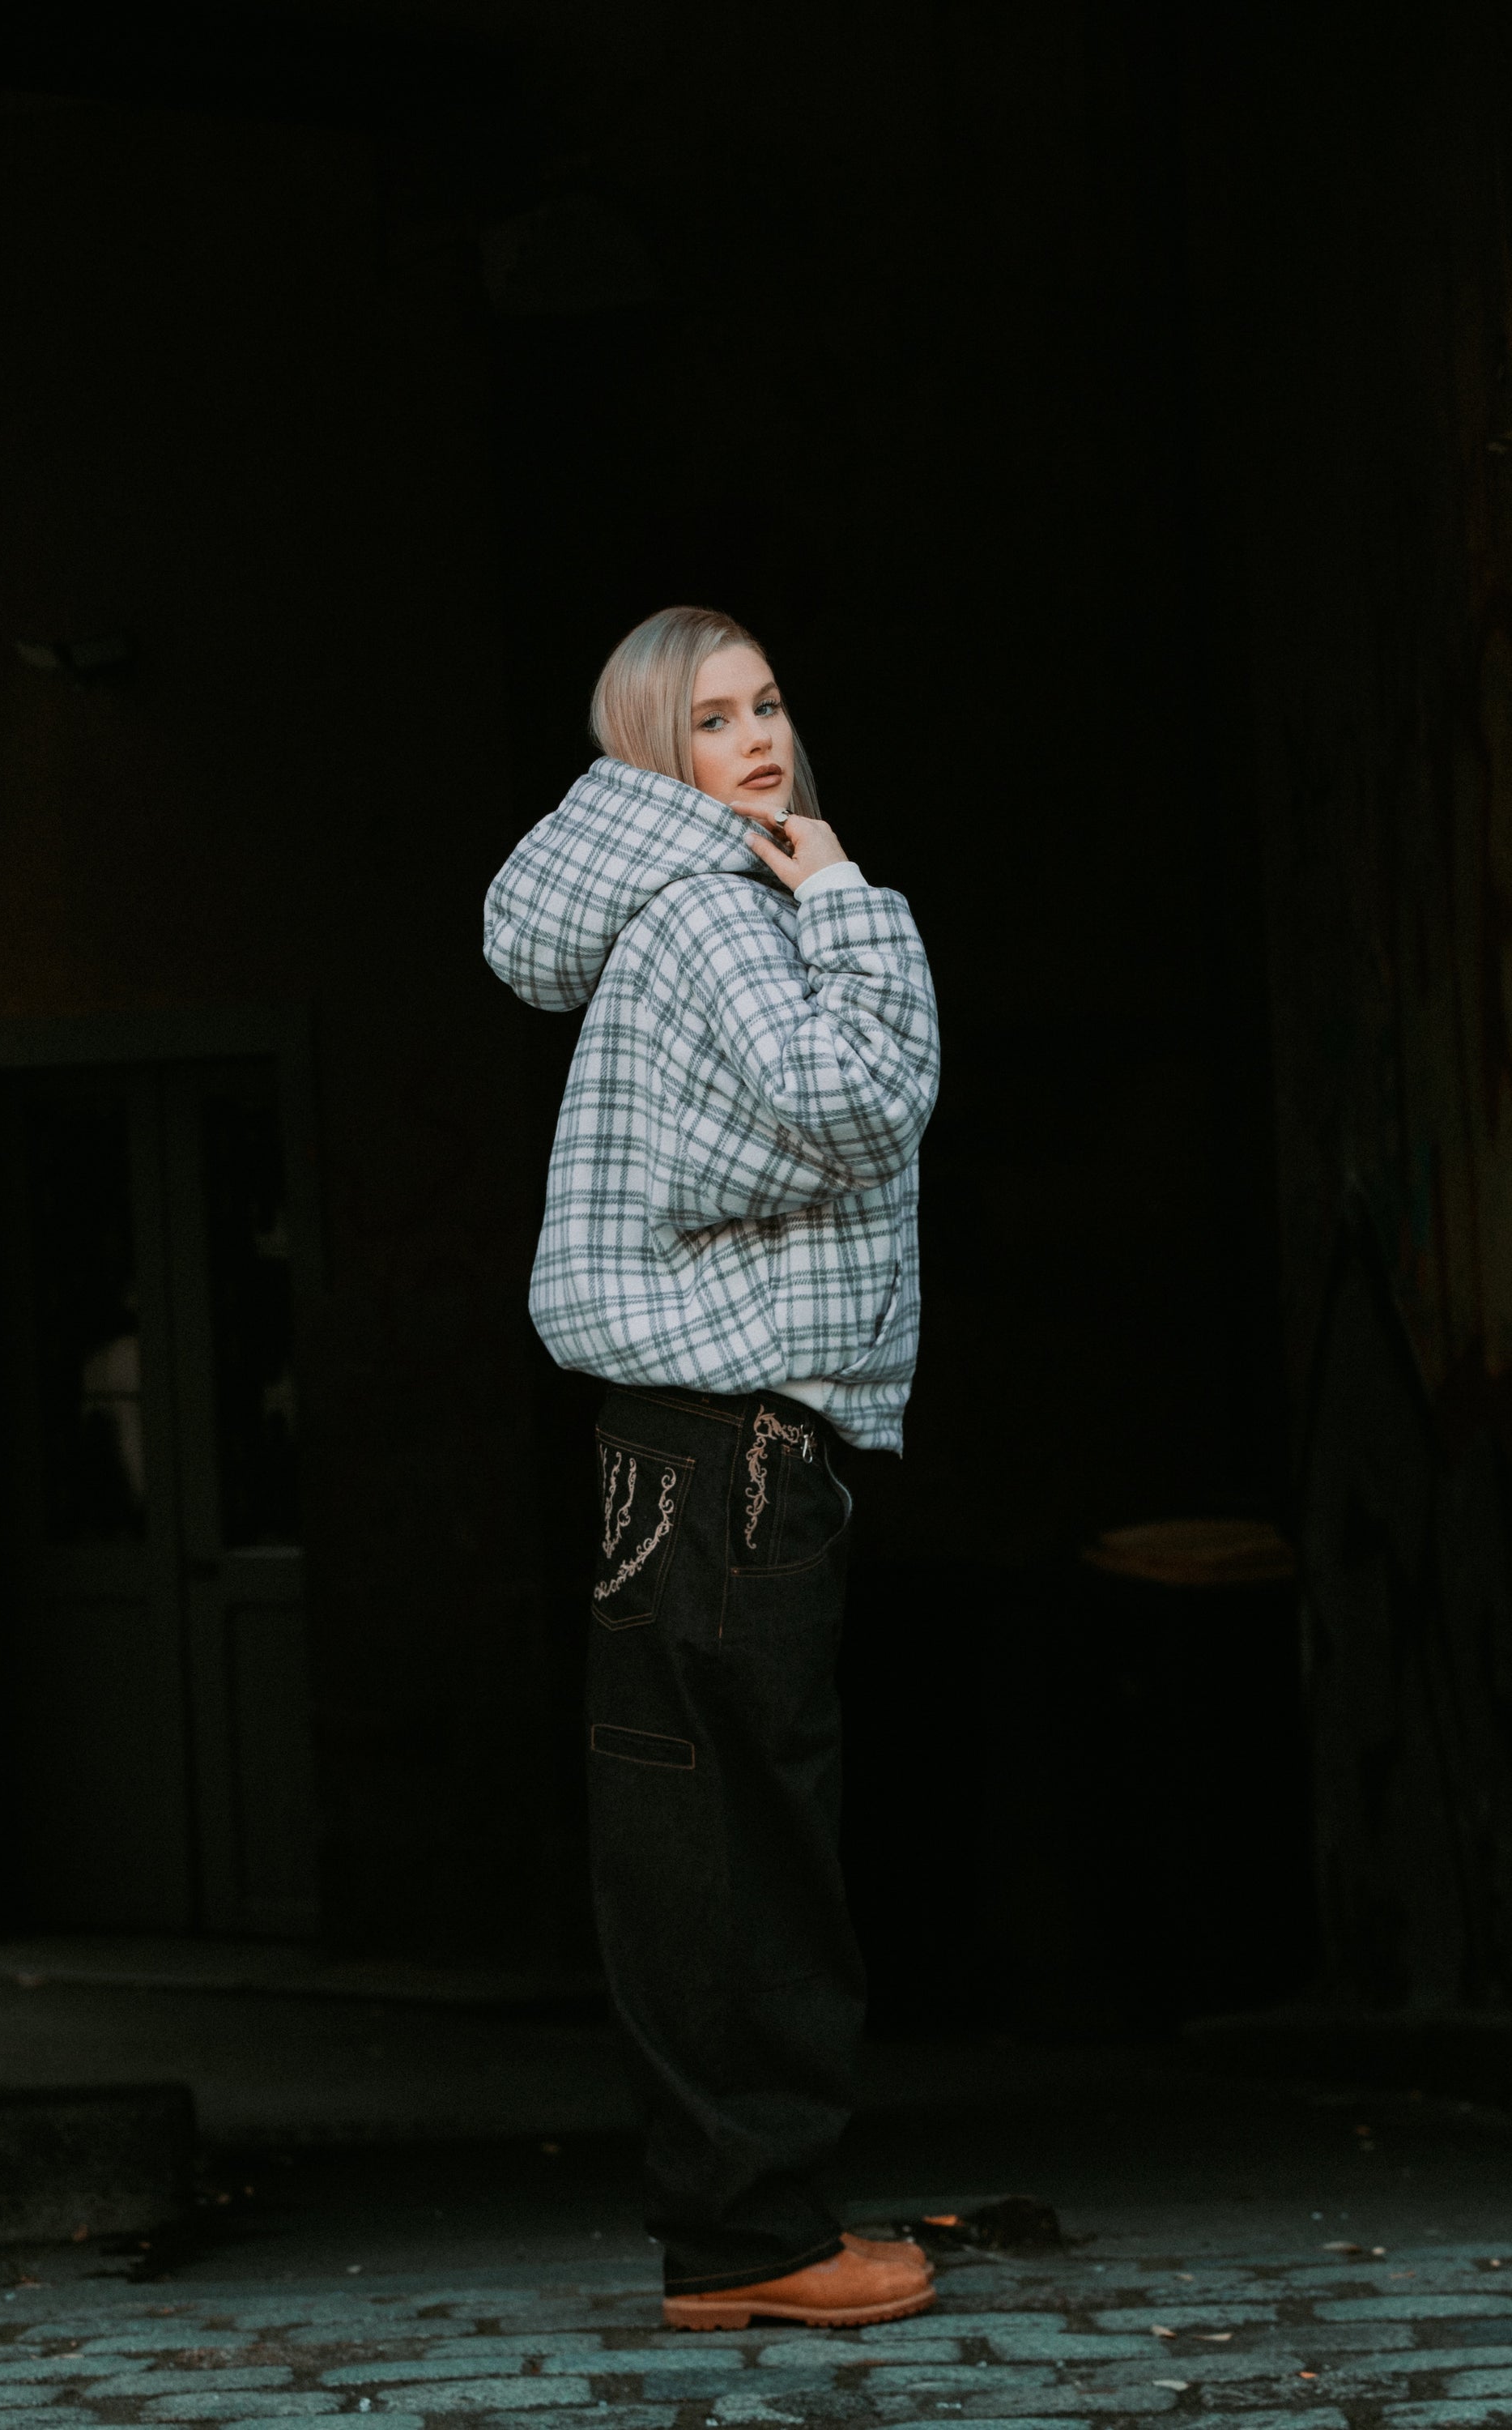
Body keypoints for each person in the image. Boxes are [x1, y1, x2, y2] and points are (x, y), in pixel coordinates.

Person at [483, 605, 940, 2329]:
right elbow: (852, 1101)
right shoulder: (722, 913)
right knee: (748, 1852)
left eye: (766, 705)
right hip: (736, 1455)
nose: (755, 740)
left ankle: (739, 2230)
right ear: (647, 753)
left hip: (672, 1452)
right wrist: (849, 901)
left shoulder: (665, 912)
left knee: (695, 1840)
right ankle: (762, 2240)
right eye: (709, 720)